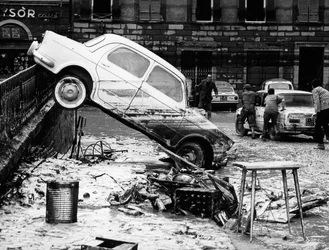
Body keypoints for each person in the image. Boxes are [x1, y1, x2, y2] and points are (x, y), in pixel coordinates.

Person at [311, 78, 329, 150]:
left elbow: (317, 102)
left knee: (317, 127)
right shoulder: (324, 90)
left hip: (324, 109)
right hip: (327, 109)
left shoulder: (315, 90)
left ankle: (320, 144)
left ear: (313, 85)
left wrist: (317, 112)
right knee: (325, 125)